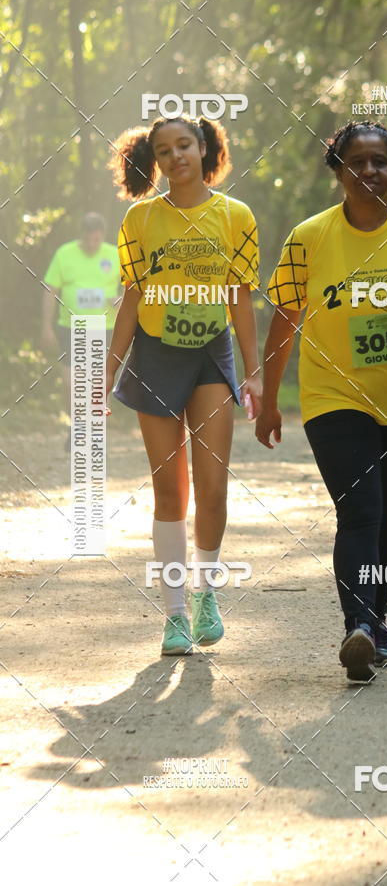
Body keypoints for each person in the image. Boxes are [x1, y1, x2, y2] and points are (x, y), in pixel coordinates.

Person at [255, 120, 387, 682]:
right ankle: (360, 626)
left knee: (385, 515)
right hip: (331, 396)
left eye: (380, 161)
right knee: (361, 511)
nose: (370, 170)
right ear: (338, 171)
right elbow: (284, 320)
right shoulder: (309, 237)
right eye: (357, 161)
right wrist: (271, 398)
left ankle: (376, 626)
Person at [106, 114, 262, 655]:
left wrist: (254, 369)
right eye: (165, 150)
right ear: (155, 160)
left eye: (185, 145)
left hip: (210, 357)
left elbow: (240, 298)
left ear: (205, 149)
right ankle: (174, 615)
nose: (177, 157)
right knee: (168, 490)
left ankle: (206, 594)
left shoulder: (235, 215)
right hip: (154, 355)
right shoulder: (140, 219)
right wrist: (107, 368)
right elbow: (132, 297)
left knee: (212, 485)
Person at [41, 212, 120, 448]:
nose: (92, 244)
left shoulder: (114, 255)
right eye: (88, 240)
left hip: (104, 327)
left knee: (98, 382)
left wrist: (119, 300)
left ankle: (95, 430)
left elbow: (132, 289)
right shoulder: (65, 254)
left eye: (96, 240)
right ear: (81, 236)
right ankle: (76, 424)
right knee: (70, 382)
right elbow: (50, 289)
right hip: (71, 327)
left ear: (102, 236)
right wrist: (46, 325)